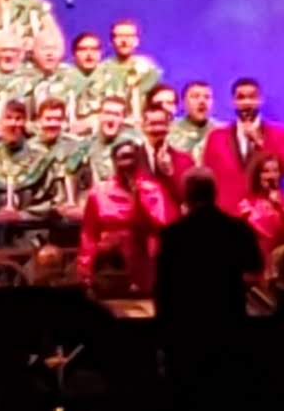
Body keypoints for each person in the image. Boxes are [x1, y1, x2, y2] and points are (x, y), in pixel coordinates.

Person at [154, 170, 262, 345]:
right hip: (228, 329)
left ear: (186, 195)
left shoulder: (172, 235)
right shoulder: (239, 230)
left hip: (185, 330)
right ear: (214, 193)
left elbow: (162, 287)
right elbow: (254, 270)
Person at [78, 141, 169, 295]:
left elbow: (163, 226)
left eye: (131, 157)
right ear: (114, 161)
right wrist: (85, 269)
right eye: (123, 157)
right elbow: (89, 234)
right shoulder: (99, 192)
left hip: (144, 261)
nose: (127, 163)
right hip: (108, 266)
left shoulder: (153, 189)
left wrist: (139, 196)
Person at [200, 78, 284, 213]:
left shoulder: (281, 134)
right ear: (233, 102)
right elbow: (207, 178)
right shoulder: (217, 137)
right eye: (241, 98)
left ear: (260, 100)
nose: (247, 103)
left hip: (267, 216)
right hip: (227, 216)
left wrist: (260, 143)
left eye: (252, 97)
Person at [238, 153, 284, 267]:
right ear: (257, 175)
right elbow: (267, 234)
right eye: (266, 171)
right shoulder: (247, 207)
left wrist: (281, 208)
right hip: (261, 266)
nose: (271, 176)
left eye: (275, 171)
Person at [167, 80, 219, 157]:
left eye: (207, 97)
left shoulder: (221, 131)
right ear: (183, 102)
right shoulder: (169, 130)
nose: (202, 101)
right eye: (195, 96)